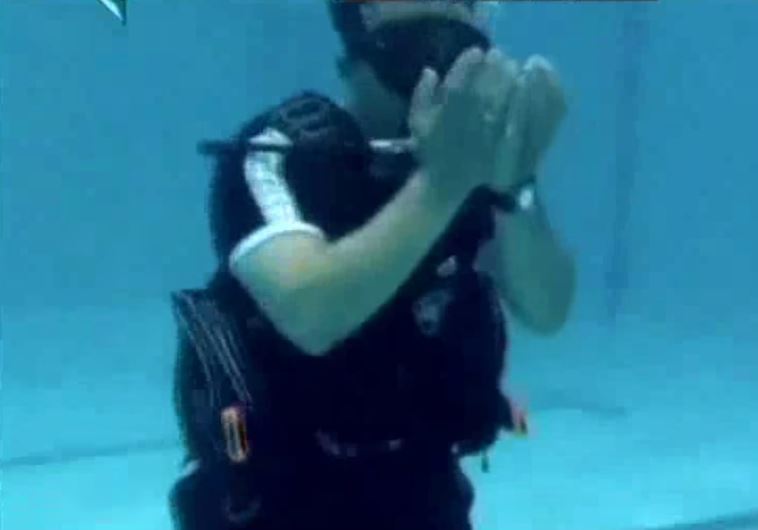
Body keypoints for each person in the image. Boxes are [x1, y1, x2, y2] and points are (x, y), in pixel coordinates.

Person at [168, 2, 576, 530]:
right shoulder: (283, 155)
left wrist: (516, 183)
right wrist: (443, 182)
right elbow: (311, 312)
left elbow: (548, 308)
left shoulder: (477, 166)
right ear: (356, 51)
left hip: (423, 491)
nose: (438, 74)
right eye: (423, 48)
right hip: (272, 503)